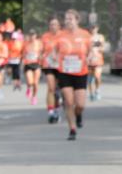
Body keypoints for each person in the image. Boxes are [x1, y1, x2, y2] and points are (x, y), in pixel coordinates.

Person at [55, 9, 92, 141]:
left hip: (81, 72)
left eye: (70, 18)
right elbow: (55, 51)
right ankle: (72, 129)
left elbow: (91, 51)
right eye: (66, 19)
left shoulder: (85, 35)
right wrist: (55, 59)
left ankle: (79, 115)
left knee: (80, 104)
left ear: (77, 20)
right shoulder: (60, 35)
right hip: (65, 72)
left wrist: (90, 58)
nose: (68, 21)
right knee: (69, 102)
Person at [40, 16, 62, 123]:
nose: (53, 26)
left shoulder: (63, 36)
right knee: (51, 88)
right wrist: (41, 56)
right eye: (51, 24)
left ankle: (57, 109)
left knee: (58, 90)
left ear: (59, 26)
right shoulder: (45, 37)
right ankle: (51, 112)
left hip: (61, 66)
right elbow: (40, 50)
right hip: (48, 65)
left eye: (55, 24)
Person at [22, 30, 42, 104]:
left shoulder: (39, 43)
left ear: (36, 35)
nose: (32, 36)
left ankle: (34, 97)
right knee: (30, 82)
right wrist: (23, 61)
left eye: (33, 35)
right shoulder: (26, 44)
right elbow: (23, 54)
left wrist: (41, 56)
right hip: (28, 64)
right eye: (30, 35)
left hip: (37, 64)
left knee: (36, 83)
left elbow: (42, 52)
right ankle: (28, 87)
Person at [87, 24, 106, 101]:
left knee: (97, 77)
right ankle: (91, 93)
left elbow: (103, 47)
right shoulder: (87, 37)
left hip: (98, 60)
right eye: (91, 28)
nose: (93, 29)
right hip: (89, 61)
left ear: (97, 28)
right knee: (90, 79)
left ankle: (97, 91)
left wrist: (100, 49)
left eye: (94, 28)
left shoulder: (100, 37)